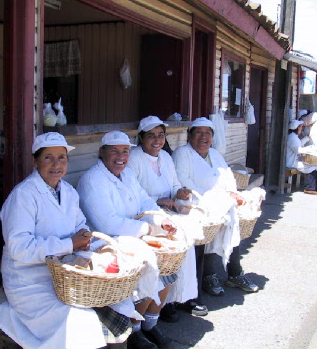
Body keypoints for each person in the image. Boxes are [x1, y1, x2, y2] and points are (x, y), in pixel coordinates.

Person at [0, 132, 132, 349]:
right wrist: (69, 244)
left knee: (119, 302)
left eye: (62, 157)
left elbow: (81, 227)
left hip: (66, 274)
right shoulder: (23, 195)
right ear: (35, 161)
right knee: (81, 320)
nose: (56, 164)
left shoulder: (68, 192)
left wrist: (93, 242)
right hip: (30, 281)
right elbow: (18, 248)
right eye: (48, 157)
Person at [77, 130, 178, 349]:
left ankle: (149, 325)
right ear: (102, 153)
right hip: (105, 244)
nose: (121, 156)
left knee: (167, 261)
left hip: (131, 236)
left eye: (125, 151)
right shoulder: (93, 180)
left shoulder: (127, 174)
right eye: (114, 151)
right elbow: (108, 224)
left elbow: (144, 201)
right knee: (147, 262)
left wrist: (161, 220)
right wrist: (148, 228)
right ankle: (133, 332)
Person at [172, 117, 258, 309]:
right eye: (199, 132)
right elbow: (183, 180)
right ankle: (208, 276)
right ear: (190, 135)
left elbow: (227, 176)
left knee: (231, 221)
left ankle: (235, 273)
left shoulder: (215, 155)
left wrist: (231, 194)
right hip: (194, 205)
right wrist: (214, 199)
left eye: (208, 133)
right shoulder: (182, 154)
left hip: (218, 204)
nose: (204, 137)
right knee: (208, 229)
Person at [127, 116, 205, 320]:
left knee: (188, 235)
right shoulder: (133, 159)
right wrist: (158, 200)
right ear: (141, 138)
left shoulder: (166, 157)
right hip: (145, 215)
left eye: (160, 136)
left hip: (167, 211)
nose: (157, 140)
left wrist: (180, 193)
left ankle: (180, 297)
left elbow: (174, 184)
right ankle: (165, 302)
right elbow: (133, 196)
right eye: (151, 136)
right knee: (176, 237)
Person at [286, 120, 317, 194]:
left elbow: (299, 144)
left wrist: (307, 138)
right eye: (301, 127)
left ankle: (312, 187)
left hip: (295, 160)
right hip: (291, 162)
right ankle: (310, 187)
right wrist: (309, 149)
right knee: (311, 166)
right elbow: (298, 150)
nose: (301, 129)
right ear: (297, 128)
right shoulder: (292, 138)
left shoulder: (294, 137)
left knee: (313, 165)